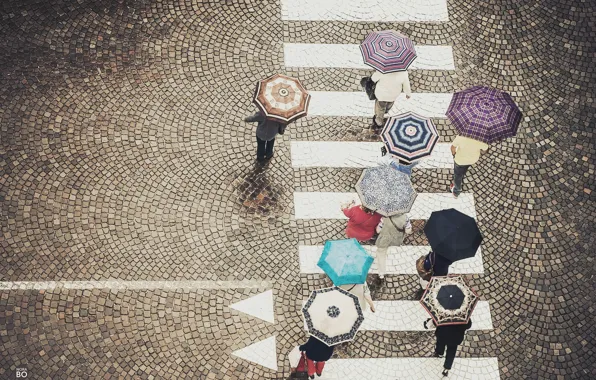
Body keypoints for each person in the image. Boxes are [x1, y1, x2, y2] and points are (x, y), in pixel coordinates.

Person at [375, 213, 408, 280]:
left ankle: (381, 273)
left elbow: (378, 231)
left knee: (381, 254)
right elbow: (408, 230)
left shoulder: (384, 218)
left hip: (384, 240)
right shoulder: (405, 218)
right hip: (396, 238)